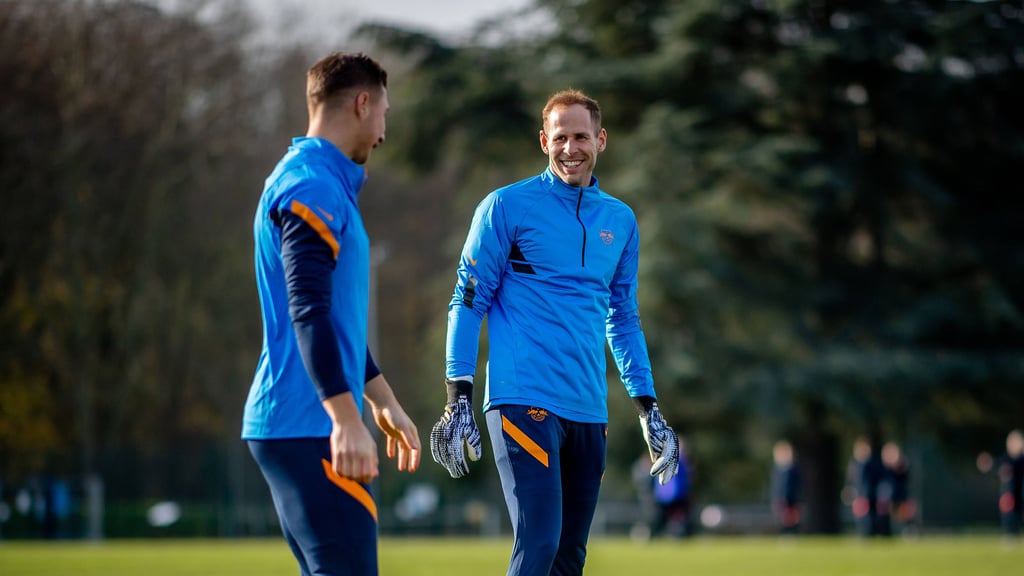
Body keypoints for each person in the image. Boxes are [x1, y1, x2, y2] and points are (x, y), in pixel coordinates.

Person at [429, 89, 680, 575]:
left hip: (588, 409)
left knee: (569, 559)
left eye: (581, 137)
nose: (570, 148)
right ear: (544, 141)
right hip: (521, 399)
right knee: (538, 544)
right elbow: (467, 301)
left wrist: (648, 409)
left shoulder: (621, 221)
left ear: (600, 140)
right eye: (560, 137)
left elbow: (623, 319)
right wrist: (457, 396)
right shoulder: (505, 207)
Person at [242, 51, 421, 576]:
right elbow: (308, 310)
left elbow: (335, 320)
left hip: (300, 421)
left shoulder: (318, 179)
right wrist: (344, 419)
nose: (383, 132)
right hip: (309, 424)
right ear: (362, 104)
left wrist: (383, 401)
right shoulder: (311, 186)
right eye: (384, 113)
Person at [769, 440, 801, 535]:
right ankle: (783, 532)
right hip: (779, 497)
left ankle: (791, 532)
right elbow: (775, 485)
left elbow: (796, 484)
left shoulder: (793, 469)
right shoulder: (776, 469)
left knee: (791, 517)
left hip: (791, 497)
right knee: (781, 517)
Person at [999, 429, 1024, 536]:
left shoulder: (1021, 459)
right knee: (1009, 512)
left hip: (1021, 492)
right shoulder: (1006, 459)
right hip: (1009, 493)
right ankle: (1011, 532)